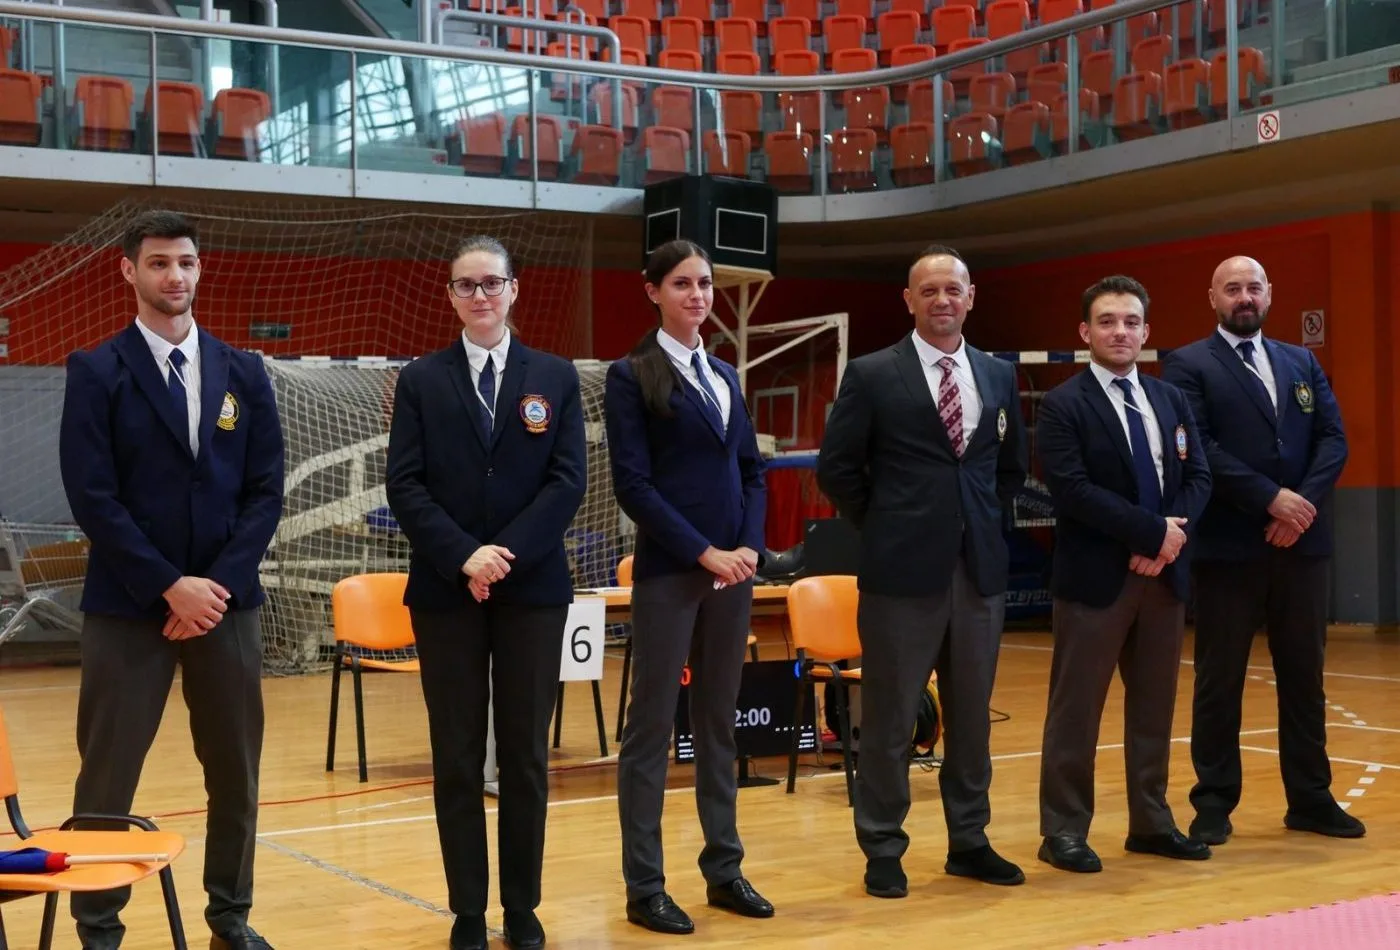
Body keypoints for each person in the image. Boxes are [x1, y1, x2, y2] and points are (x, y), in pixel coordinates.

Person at [58, 210, 283, 950]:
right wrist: (167, 586)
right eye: (158, 263)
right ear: (130, 271)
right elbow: (93, 496)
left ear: (199, 267)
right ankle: (98, 927)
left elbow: (265, 493)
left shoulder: (244, 371)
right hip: (128, 606)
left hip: (226, 605)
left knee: (236, 771)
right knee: (108, 775)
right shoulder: (97, 370)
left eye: (185, 262)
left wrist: (213, 587)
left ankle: (231, 917)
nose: (174, 275)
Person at [385, 235, 586, 950]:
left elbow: (567, 480)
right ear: (450, 295)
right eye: (466, 285)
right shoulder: (421, 380)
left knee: (526, 756)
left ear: (513, 290)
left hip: (532, 592)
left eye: (491, 283)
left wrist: (502, 558)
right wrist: (464, 556)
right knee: (457, 754)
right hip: (447, 592)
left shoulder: (555, 376)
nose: (480, 295)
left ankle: (522, 906)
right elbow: (404, 484)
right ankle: (468, 910)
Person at [817, 244, 1028, 898]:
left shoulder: (997, 375)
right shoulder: (872, 373)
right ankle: (883, 846)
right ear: (908, 300)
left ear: (971, 298)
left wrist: (974, 525)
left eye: (952, 289)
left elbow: (1009, 470)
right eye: (929, 290)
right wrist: (888, 524)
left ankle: (970, 841)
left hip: (978, 575)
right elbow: (837, 470)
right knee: (890, 722)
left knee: (972, 721)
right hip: (899, 576)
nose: (942, 299)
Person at [1161, 256, 1362, 843]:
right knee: (1219, 679)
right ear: (1213, 298)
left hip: (1301, 545)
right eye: (1232, 289)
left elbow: (1333, 439)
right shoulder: (1188, 364)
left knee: (1304, 676)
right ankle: (1213, 803)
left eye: (1253, 287)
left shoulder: (1301, 361)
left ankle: (1311, 799)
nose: (1244, 297)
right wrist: (1270, 498)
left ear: (1269, 294)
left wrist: (1300, 507)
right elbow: (1198, 448)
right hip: (1229, 549)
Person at [606, 239, 771, 935]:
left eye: (704, 283)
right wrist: (705, 552)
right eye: (681, 283)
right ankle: (645, 886)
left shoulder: (726, 374)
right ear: (653, 292)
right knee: (650, 729)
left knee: (718, 724)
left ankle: (725, 870)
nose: (697, 295)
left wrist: (749, 548)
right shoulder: (630, 375)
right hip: (673, 574)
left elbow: (752, 471)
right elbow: (634, 486)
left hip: (733, 576)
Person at [1034, 276, 1213, 873]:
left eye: (1131, 322)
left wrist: (1168, 541)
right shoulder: (1063, 404)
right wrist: (1150, 533)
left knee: (1155, 709)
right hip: (1095, 581)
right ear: (1085, 332)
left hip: (1163, 578)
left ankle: (1152, 823)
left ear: (1146, 332)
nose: (1120, 332)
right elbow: (1072, 490)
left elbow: (1199, 478)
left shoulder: (1170, 399)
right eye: (1107, 321)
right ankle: (1063, 830)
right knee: (1076, 712)